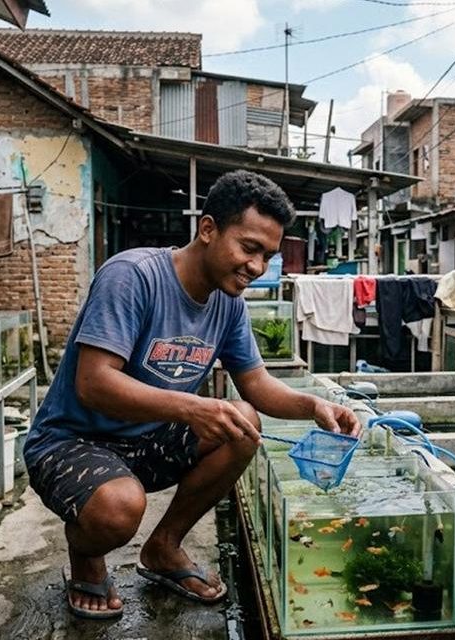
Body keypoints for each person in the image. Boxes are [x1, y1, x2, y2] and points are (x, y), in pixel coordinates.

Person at [23, 170, 362, 619]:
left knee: (243, 424)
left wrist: (314, 405)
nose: (257, 268)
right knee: (118, 509)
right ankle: (86, 553)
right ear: (207, 229)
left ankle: (164, 547)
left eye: (268, 255)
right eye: (249, 247)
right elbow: (94, 382)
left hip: (145, 441)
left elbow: (256, 384)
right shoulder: (132, 276)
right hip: (70, 441)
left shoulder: (229, 304)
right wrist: (193, 406)